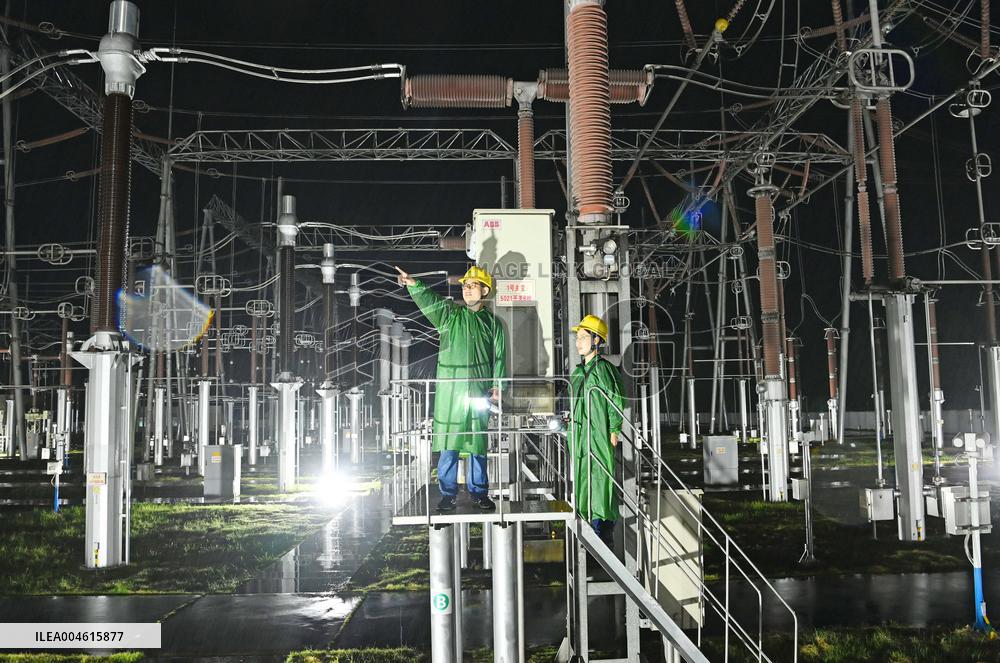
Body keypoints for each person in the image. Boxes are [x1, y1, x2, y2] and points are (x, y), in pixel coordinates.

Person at [396, 265, 506, 512]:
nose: (467, 290)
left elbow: (500, 357)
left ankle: (479, 492)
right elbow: (431, 302)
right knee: (449, 444)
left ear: (485, 290)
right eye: (465, 286)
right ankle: (448, 494)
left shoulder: (493, 324)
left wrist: (497, 386)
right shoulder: (450, 317)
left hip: (479, 392)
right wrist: (415, 285)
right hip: (451, 394)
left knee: (478, 444)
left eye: (473, 285)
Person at [569, 314, 624, 546]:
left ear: (597, 341)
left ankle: (603, 530)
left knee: (601, 478)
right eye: (577, 337)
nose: (578, 342)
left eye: (583, 337)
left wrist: (614, 430)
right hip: (579, 435)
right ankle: (585, 525)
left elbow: (615, 401)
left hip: (599, 433)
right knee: (581, 476)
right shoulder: (577, 373)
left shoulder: (605, 369)